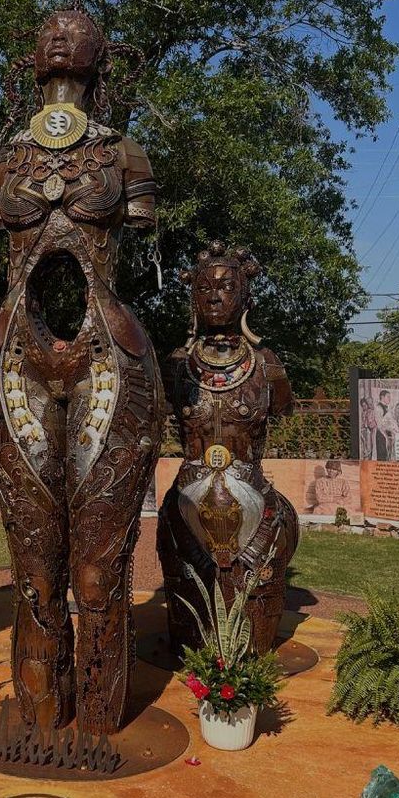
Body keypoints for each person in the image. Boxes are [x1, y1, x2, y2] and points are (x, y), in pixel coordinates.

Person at [0, 9, 164, 735]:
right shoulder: (8, 159)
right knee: (35, 560)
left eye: (75, 27)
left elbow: (141, 232)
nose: (58, 32)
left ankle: (100, 713)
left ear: (99, 54)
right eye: (47, 26)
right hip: (17, 354)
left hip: (107, 357)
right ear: (32, 50)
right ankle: (40, 704)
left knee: (96, 561)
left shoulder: (125, 153)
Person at [156, 244, 300, 657]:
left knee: (257, 614)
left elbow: (284, 408)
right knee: (188, 622)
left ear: (245, 297)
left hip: (252, 500)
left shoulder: (267, 365)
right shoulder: (176, 366)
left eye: (226, 287)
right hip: (188, 502)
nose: (214, 296)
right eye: (203, 288)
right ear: (192, 298)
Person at [375, 389, 395, 461]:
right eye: (388, 397)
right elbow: (380, 425)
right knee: (382, 456)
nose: (390, 399)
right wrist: (386, 437)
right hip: (381, 435)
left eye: (390, 397)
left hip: (387, 434)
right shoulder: (378, 407)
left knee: (388, 455)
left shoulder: (387, 408)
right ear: (382, 397)